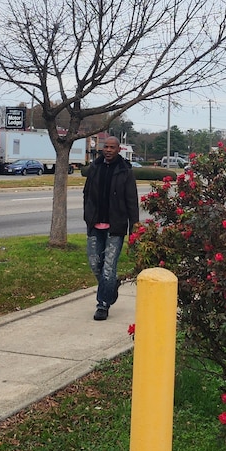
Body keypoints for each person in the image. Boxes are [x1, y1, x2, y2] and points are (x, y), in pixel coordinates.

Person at [83, 134, 139, 320]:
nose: (108, 150)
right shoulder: (94, 168)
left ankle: (103, 304)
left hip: (116, 226)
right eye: (105, 147)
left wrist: (134, 228)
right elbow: (87, 194)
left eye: (112, 147)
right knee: (94, 263)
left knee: (108, 266)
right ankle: (110, 286)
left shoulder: (125, 171)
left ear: (118, 149)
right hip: (95, 225)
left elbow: (132, 202)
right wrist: (87, 216)